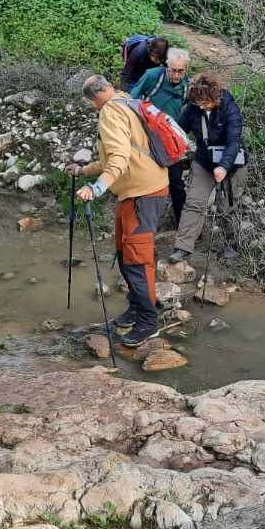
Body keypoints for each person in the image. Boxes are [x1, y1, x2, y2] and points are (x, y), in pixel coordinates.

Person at [68, 75, 169, 346]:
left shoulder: (110, 112)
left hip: (141, 192)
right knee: (126, 255)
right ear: (108, 87)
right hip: (144, 189)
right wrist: (82, 171)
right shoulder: (127, 101)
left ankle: (149, 322)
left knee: (136, 259)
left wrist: (96, 188)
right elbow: (114, 156)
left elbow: (120, 158)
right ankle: (137, 308)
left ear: (91, 101)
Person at [168, 72, 247, 264]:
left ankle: (232, 245)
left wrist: (224, 167)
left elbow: (234, 141)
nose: (201, 106)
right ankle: (182, 247)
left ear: (215, 96)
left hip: (231, 163)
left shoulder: (230, 108)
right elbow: (177, 131)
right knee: (194, 201)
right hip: (204, 161)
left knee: (228, 205)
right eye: (198, 102)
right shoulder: (193, 108)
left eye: (205, 102)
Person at [130, 47, 191, 225]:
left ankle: (182, 225)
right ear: (167, 65)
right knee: (144, 180)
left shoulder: (188, 86)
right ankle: (140, 222)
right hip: (148, 138)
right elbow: (132, 100)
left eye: (181, 71)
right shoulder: (153, 76)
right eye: (173, 70)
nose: (177, 75)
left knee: (176, 183)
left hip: (171, 142)